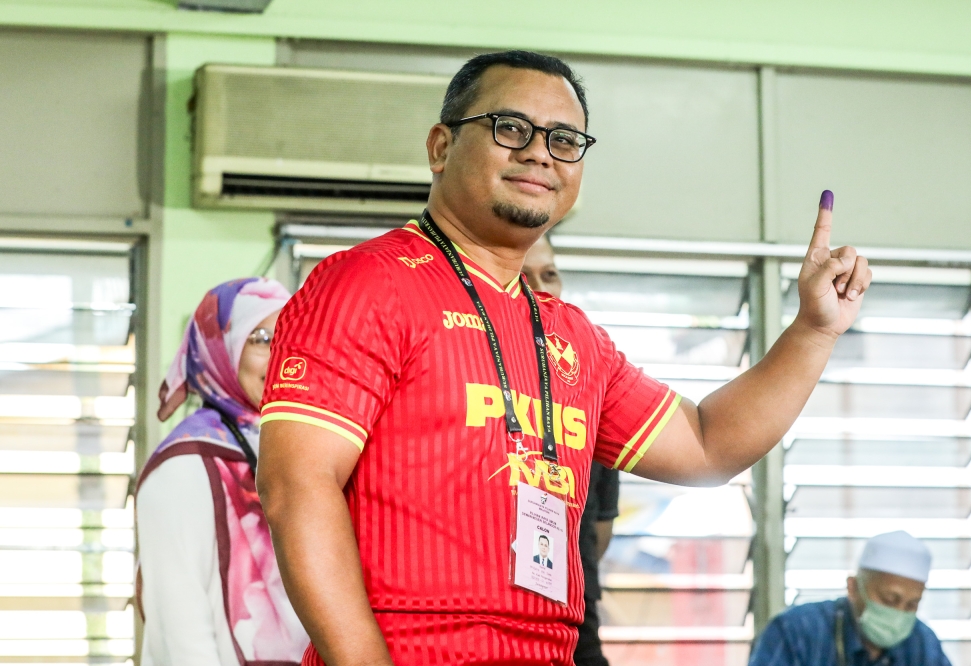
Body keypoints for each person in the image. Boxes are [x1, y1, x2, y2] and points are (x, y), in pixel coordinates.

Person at [256, 49, 872, 666]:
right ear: (441, 147)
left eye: (565, 139)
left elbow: (708, 446)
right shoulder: (367, 284)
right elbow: (296, 485)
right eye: (511, 128)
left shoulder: (573, 339)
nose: (540, 152)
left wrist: (813, 332)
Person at [136, 278, 309, 666]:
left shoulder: (293, 448)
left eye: (291, 336)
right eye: (261, 338)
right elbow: (180, 629)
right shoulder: (183, 465)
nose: (281, 354)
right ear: (219, 350)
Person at [523, 233, 619, 666]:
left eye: (550, 275)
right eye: (523, 277)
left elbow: (598, 532)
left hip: (575, 621)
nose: (540, 288)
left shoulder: (590, 381)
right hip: (480, 624)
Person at [749, 531, 951, 666]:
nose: (898, 613)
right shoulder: (797, 633)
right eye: (889, 600)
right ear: (853, 587)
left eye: (912, 605)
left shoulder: (923, 644)